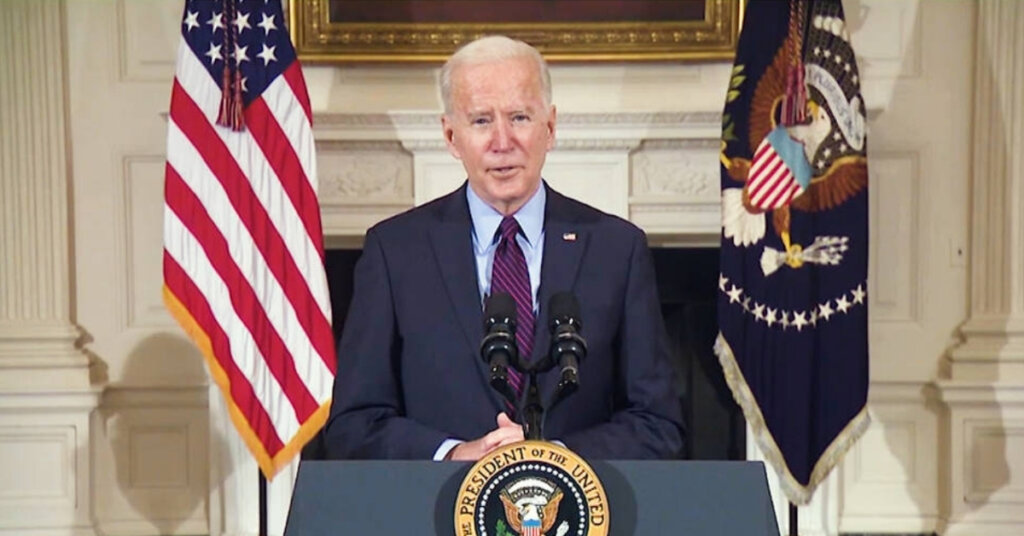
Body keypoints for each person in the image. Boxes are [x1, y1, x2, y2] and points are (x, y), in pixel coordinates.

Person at [323, 35, 683, 461]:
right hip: (439, 500)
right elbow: (354, 424)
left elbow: (657, 422)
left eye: (519, 117)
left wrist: (553, 457)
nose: (502, 141)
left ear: (550, 128)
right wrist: (454, 455)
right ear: (451, 136)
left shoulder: (617, 250)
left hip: (578, 500)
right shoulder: (395, 252)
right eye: (481, 121)